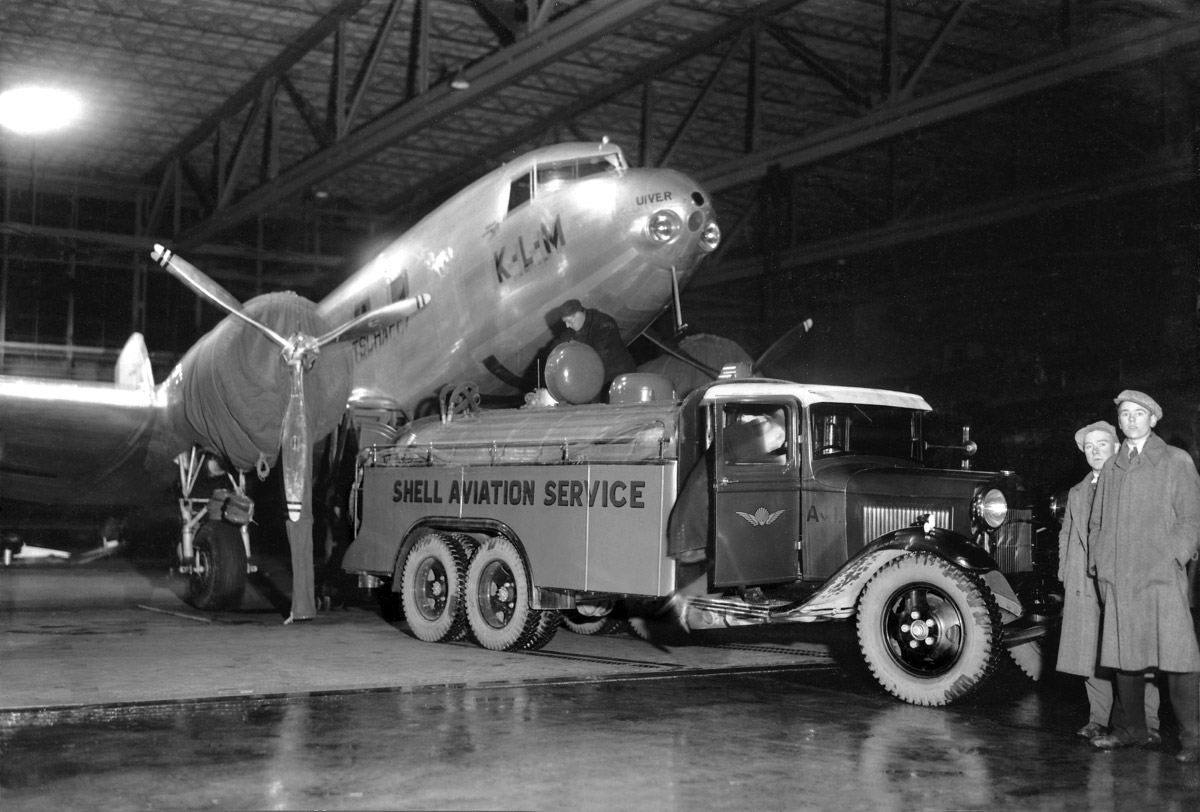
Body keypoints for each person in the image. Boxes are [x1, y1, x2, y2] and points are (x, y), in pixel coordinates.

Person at [1088, 390, 1200, 763]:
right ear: (1118, 421)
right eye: (1125, 414)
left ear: (1154, 420)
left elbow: (1191, 519)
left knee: (1178, 659)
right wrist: (1101, 566)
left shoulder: (1175, 460)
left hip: (1161, 578)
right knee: (1125, 657)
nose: (1131, 419)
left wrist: (1173, 556)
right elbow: (1097, 523)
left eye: (1140, 413)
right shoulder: (1113, 468)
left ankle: (1193, 740)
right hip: (1120, 579)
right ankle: (1130, 730)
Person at [1056, 420, 1159, 741]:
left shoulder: (1132, 482)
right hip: (1085, 583)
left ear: (1117, 448)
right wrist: (1065, 570)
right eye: (1089, 446)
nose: (1095, 451)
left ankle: (1148, 724)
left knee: (1135, 653)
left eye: (1102, 444)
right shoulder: (1077, 491)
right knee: (1090, 651)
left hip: (1124, 581)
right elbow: (1067, 533)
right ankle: (1098, 719)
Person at [558, 299, 637, 392]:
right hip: (598, 375)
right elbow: (563, 341)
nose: (567, 326)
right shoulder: (574, 326)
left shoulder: (604, 324)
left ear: (578, 315)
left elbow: (599, 356)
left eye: (569, 321)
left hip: (618, 375)